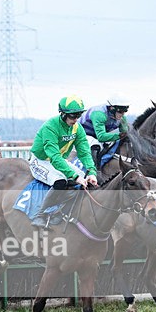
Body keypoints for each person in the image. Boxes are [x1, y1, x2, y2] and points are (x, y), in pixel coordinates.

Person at [29, 95, 98, 228]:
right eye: (72, 116)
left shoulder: (78, 128)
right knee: (60, 181)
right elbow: (54, 156)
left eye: (78, 115)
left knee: (86, 182)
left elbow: (84, 152)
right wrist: (74, 176)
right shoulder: (50, 126)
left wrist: (91, 171)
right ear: (63, 114)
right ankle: (40, 214)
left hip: (59, 160)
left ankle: (61, 211)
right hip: (41, 160)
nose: (75, 119)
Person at [78, 96, 130, 168]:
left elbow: (125, 132)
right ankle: (93, 171)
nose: (123, 114)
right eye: (120, 111)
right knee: (95, 146)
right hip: (81, 133)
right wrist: (120, 135)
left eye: (125, 111)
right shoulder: (99, 114)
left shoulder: (121, 117)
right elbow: (101, 137)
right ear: (112, 108)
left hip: (96, 135)